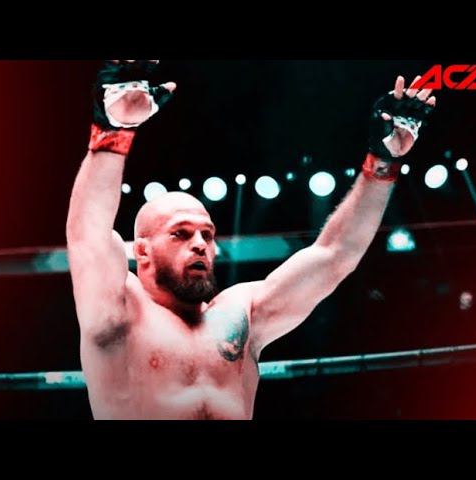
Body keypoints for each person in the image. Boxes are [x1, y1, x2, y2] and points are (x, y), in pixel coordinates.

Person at [66, 60, 436, 419]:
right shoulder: (119, 313)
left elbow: (335, 255)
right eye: (181, 233)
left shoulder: (240, 314)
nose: (200, 244)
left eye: (207, 234)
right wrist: (113, 130)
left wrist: (383, 162)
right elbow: (88, 237)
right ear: (142, 251)